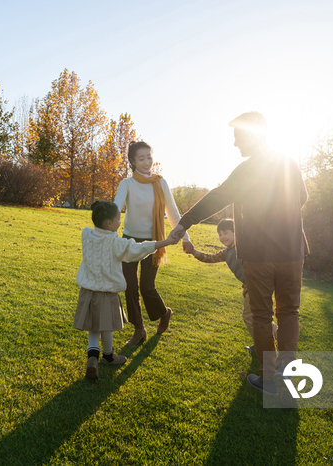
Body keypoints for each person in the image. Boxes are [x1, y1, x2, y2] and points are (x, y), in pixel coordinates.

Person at [171, 111, 309, 398]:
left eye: (238, 137)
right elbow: (303, 198)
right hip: (293, 251)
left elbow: (215, 198)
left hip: (260, 253)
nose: (235, 144)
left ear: (252, 135)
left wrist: (184, 221)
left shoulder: (247, 170)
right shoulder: (288, 163)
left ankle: (270, 379)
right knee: (288, 311)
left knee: (260, 315)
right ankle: (286, 374)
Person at [75, 201, 181, 380]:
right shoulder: (116, 243)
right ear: (109, 223)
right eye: (118, 218)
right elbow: (137, 249)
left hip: (88, 291)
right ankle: (108, 357)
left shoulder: (86, 234)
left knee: (93, 327)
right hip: (107, 293)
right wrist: (166, 242)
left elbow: (97, 234)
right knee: (106, 327)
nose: (120, 221)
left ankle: (92, 358)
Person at [114, 141, 191, 345]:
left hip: (154, 242)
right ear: (132, 161)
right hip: (129, 241)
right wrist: (106, 232)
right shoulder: (127, 184)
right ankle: (139, 329)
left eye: (149, 157)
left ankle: (164, 313)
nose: (147, 162)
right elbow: (116, 209)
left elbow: (173, 213)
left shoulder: (161, 183)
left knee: (147, 287)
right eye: (141, 158)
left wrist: (185, 238)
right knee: (129, 286)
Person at [183, 218, 277, 353]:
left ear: (236, 232)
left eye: (226, 233)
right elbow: (210, 258)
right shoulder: (226, 252)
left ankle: (265, 344)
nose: (222, 237)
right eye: (220, 234)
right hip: (250, 287)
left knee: (249, 317)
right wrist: (194, 252)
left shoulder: (244, 247)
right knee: (257, 317)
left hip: (257, 285)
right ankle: (267, 340)